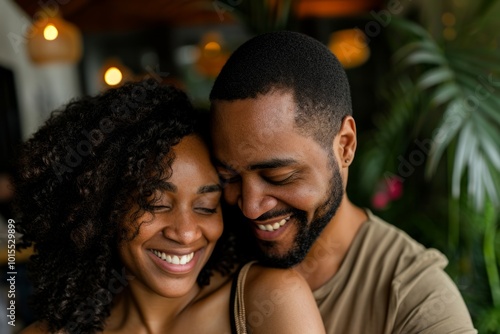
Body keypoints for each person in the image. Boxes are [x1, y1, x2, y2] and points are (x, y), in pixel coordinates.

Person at [209, 31, 477, 333]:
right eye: (228, 177)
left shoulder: (415, 299)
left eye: (278, 177)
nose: (250, 207)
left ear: (345, 145)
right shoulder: (204, 251)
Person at [13, 80, 325, 334]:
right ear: (103, 208)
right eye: (156, 203)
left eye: (205, 206)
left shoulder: (268, 299)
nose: (187, 233)